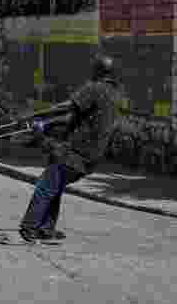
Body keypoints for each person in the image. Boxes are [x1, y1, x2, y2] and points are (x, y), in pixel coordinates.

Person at [17, 54, 124, 243]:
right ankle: (46, 228)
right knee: (54, 187)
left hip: (74, 151)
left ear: (99, 71)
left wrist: (36, 115)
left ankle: (30, 227)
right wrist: (46, 124)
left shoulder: (95, 88)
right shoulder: (115, 95)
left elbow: (67, 107)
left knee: (45, 187)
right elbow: (71, 118)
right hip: (92, 156)